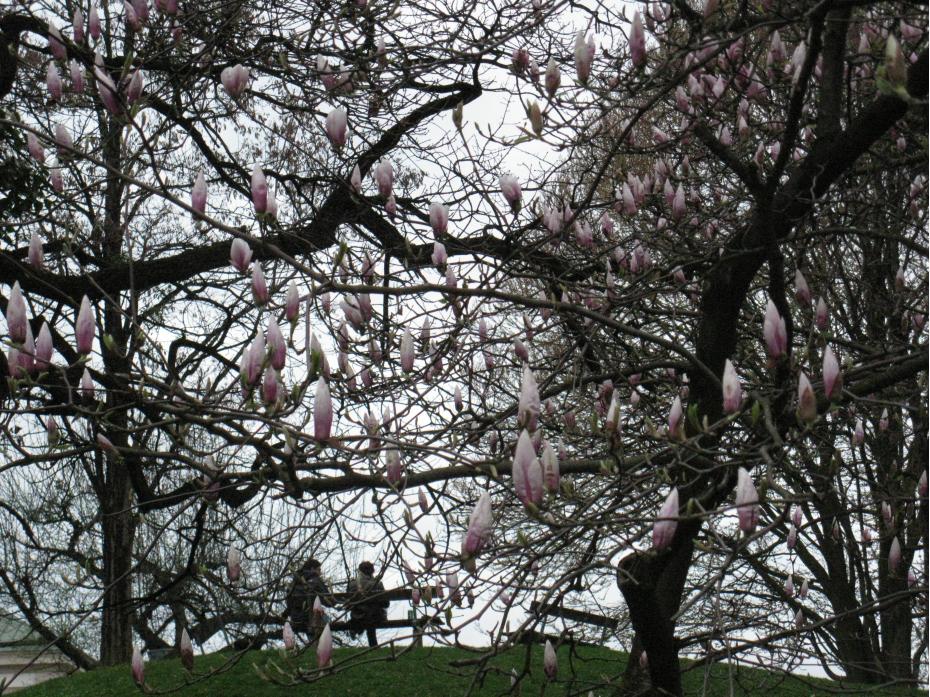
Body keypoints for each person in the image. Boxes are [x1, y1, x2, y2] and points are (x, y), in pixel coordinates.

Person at [285, 558, 332, 640]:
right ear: (312, 569)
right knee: (327, 620)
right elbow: (328, 601)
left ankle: (314, 645)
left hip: (296, 619)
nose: (320, 573)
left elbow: (288, 603)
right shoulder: (315, 579)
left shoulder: (293, 583)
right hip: (311, 618)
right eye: (319, 570)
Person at [346, 561, 389, 647]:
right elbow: (385, 603)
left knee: (366, 614)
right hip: (375, 617)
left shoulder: (351, 584)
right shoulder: (377, 584)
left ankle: (356, 630)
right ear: (372, 572)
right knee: (371, 614)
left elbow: (349, 604)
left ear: (360, 571)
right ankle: (373, 646)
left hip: (357, 616)